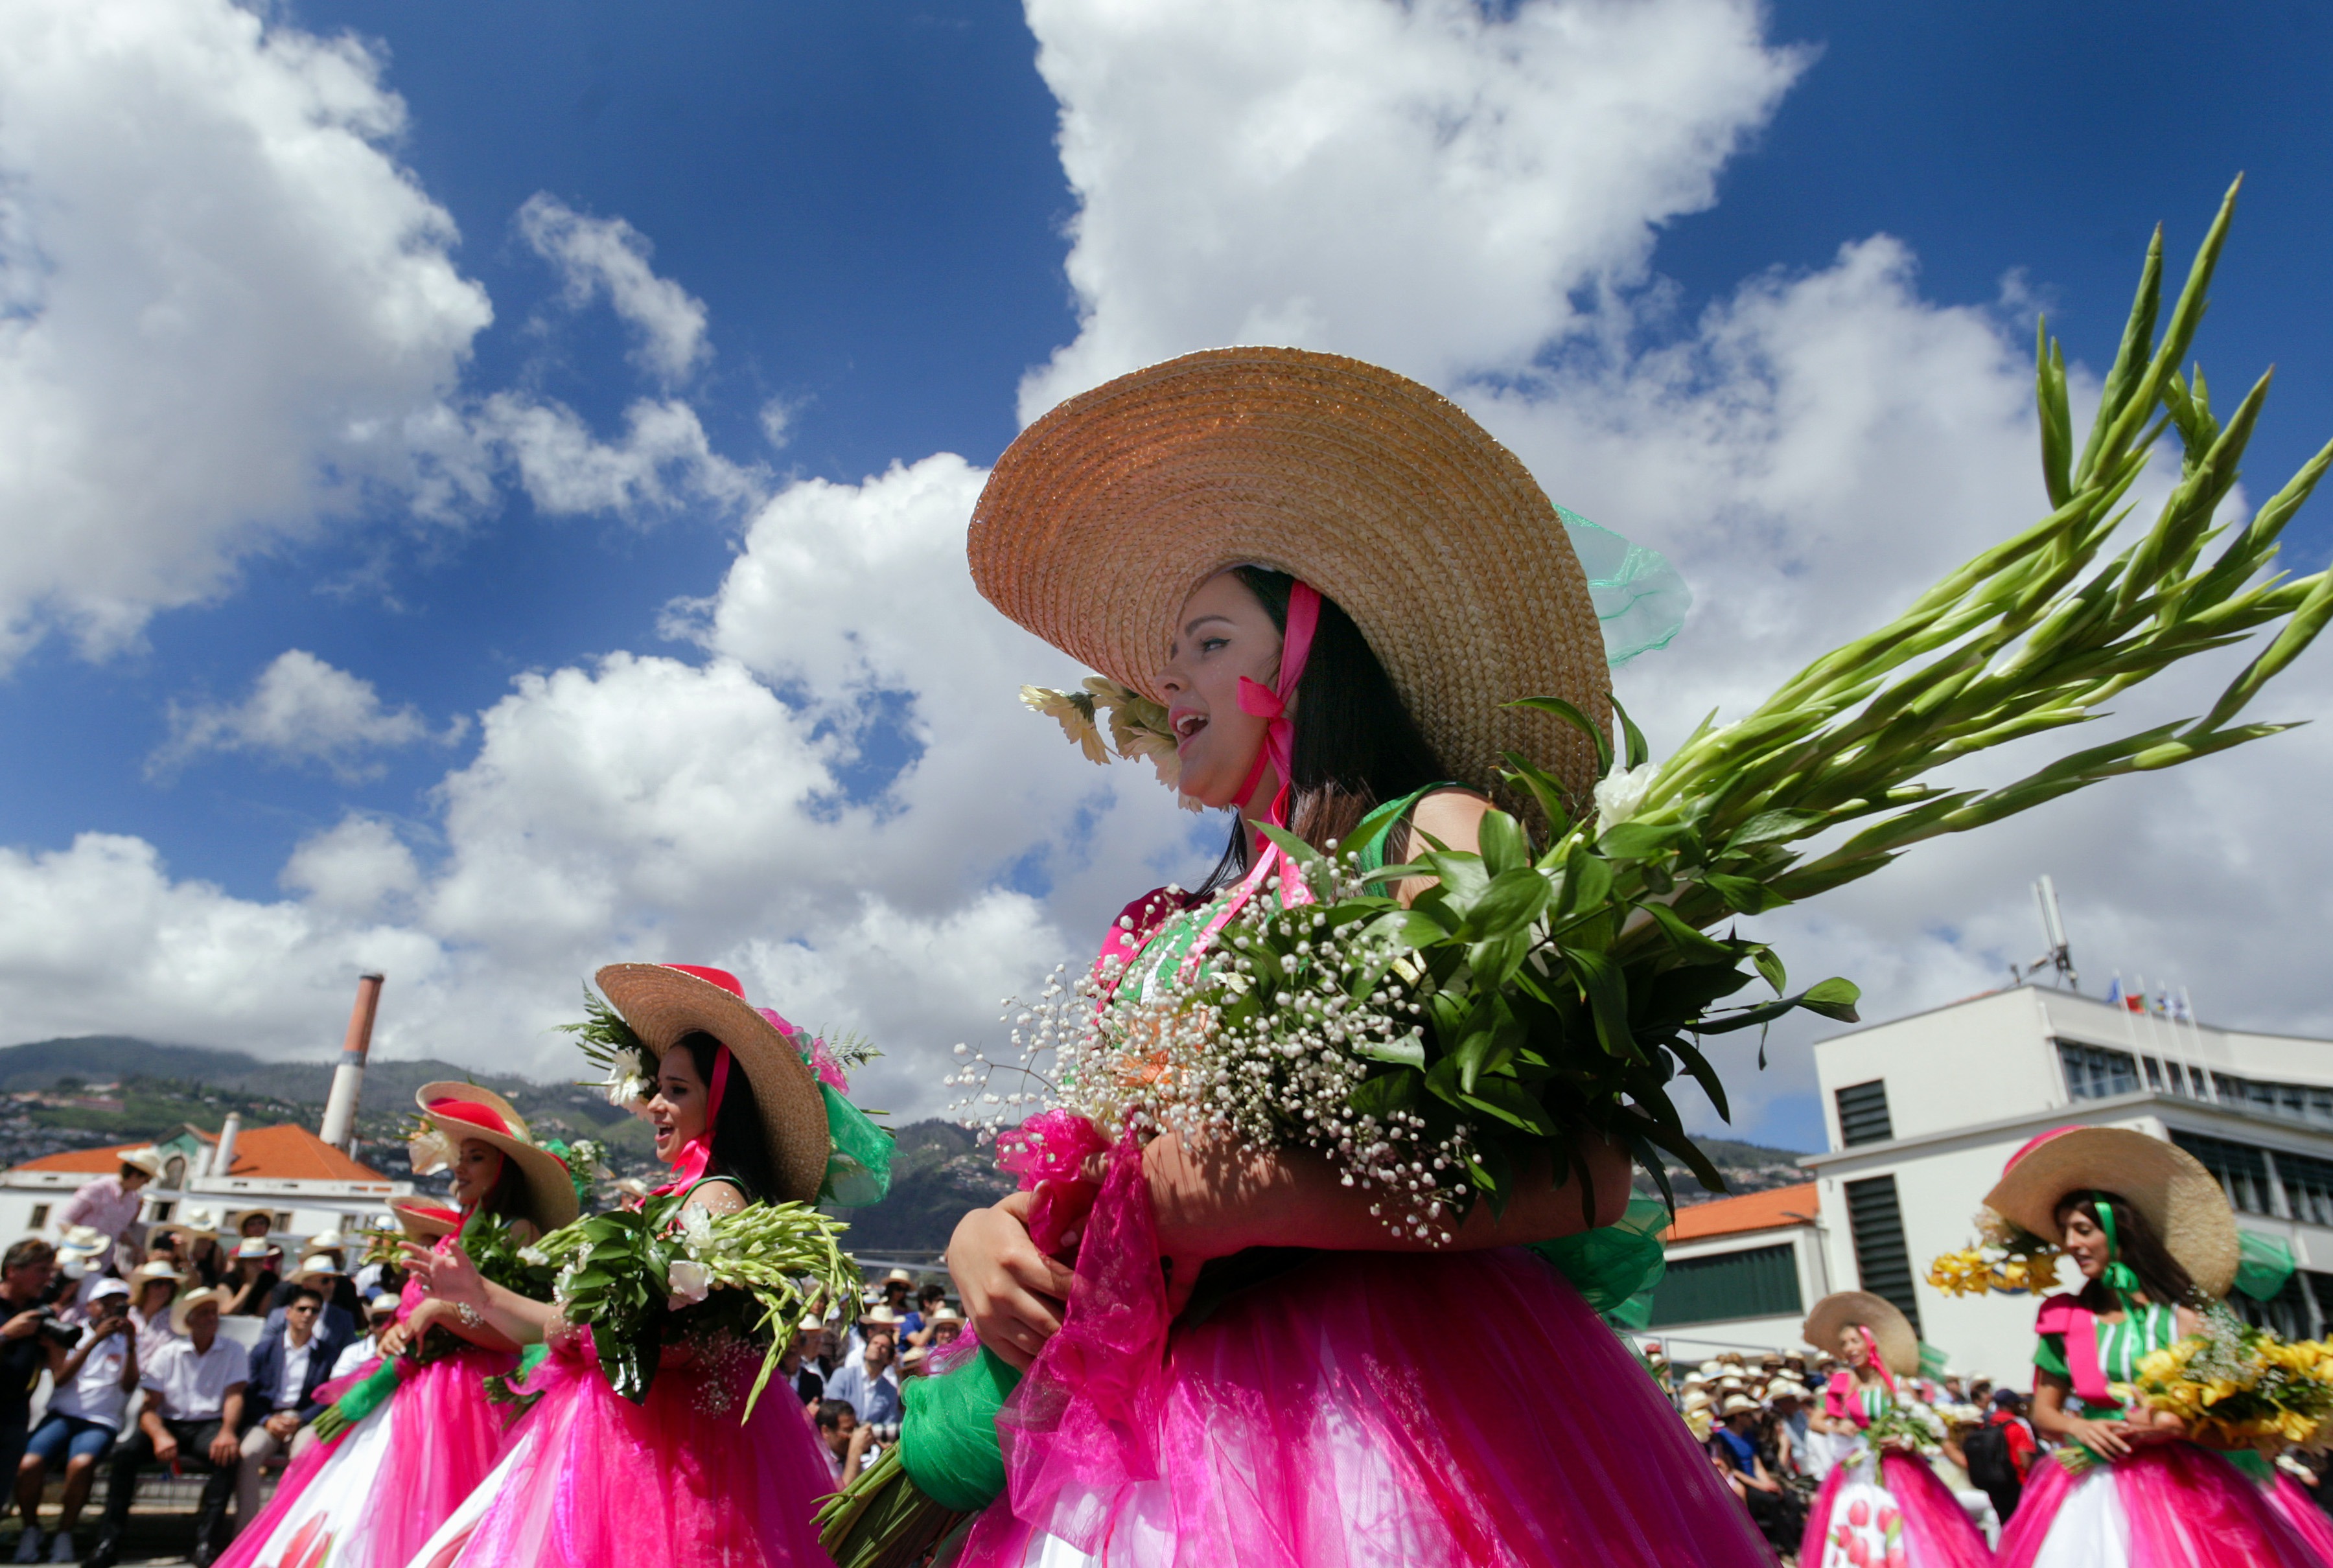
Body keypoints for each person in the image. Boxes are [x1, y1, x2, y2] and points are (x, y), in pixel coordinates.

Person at [942, 348, 1767, 1565]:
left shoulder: (1430, 839)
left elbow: (1591, 1173)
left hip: (1394, 1417)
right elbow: (1101, 1164)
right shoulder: (1155, 931)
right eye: (1171, 651)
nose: (1165, 677)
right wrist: (993, 1232)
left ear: (1304, 656)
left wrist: (1271, 1198)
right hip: (1159, 1447)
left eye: (1207, 640)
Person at [401, 965, 868, 1568]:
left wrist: (579, 1329)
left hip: (667, 1455)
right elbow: (572, 1325)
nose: (654, 1105)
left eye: (677, 1090)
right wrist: (478, 1292)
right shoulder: (682, 1198)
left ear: (719, 1102)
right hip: (627, 1440)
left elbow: (667, 1343)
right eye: (657, 1087)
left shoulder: (715, 1199)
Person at [211, 1085, 575, 1568]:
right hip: (416, 1386)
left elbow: (520, 1336)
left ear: (505, 1169)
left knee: (432, 1517)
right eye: (460, 1158)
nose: (460, 1168)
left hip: (465, 1394)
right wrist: (400, 1331)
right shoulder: (461, 1231)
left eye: (476, 1158)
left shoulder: (519, 1231)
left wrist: (441, 1313)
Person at [1986, 1126, 2328, 1566]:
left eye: (2083, 1230)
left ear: (2119, 1232)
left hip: (2188, 1486)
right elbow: (2044, 1413)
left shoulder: (2187, 1319)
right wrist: (2080, 1428)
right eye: (2066, 1232)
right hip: (2091, 1488)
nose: (2071, 1245)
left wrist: (2178, 1427)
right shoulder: (2063, 1317)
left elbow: (2242, 1426)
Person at [1796, 1292, 1988, 1568]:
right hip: (1857, 1470)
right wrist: (1837, 1425)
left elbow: (1925, 1428)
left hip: (1897, 1467)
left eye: (1854, 1341)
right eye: (1844, 1344)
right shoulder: (1842, 1383)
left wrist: (1904, 1440)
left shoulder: (1897, 1385)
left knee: (1906, 1530)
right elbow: (1816, 1420)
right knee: (1857, 1528)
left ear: (1870, 1342)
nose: (1849, 1349)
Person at [87, 1287, 246, 1568]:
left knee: (227, 1456)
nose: (212, 1318)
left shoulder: (234, 1350)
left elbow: (235, 1395)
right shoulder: (167, 1353)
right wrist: (160, 1435)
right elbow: (149, 1407)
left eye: (214, 1313)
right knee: (125, 1455)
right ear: (189, 1320)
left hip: (209, 1423)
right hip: (169, 1422)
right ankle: (108, 1541)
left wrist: (227, 1431)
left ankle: (206, 1542)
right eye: (204, 1313)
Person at [13, 1277, 136, 1563]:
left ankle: (64, 1533)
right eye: (105, 1304)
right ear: (90, 1306)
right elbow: (61, 1378)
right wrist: (94, 1341)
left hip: (100, 1421)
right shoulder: (67, 1333)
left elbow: (129, 1385)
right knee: (28, 1464)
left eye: (118, 1305)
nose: (111, 1310)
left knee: (81, 1464)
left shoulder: (128, 1340)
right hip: (62, 1415)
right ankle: (31, 1529)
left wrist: (131, 1344)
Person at [233, 1283, 349, 1526]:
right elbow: (249, 1393)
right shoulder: (264, 1350)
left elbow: (328, 1396)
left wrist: (301, 1419)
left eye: (314, 1311)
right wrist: (267, 1420)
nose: (308, 1314)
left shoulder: (328, 1355)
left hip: (304, 1419)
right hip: (268, 1419)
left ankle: (287, 1525)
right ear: (288, 1312)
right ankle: (246, 1530)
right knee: (249, 1453)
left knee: (306, 1454)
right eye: (302, 1309)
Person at [0, 1241, 64, 1517]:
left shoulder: (41, 1312)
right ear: (13, 1271)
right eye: (41, 1270)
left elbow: (57, 1369)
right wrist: (6, 1334)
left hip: (15, 1412)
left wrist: (55, 1346)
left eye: (50, 1271)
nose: (48, 1279)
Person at [1708, 1396, 1804, 1555]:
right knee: (1772, 1501)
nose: (1752, 1418)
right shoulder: (1723, 1437)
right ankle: (1787, 1547)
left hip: (1757, 1481)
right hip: (1743, 1482)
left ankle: (1794, 1542)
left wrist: (1769, 1484)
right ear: (1738, 1416)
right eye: (1747, 1415)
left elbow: (1757, 1464)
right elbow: (1732, 1470)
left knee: (1791, 1500)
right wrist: (1761, 1485)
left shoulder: (1748, 1436)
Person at [52, 1151, 160, 1272]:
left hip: (104, 1263)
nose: (145, 1185)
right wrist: (85, 1242)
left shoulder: (133, 1199)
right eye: (146, 1181)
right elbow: (64, 1220)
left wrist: (136, 1248)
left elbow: (120, 1231)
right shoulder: (97, 1189)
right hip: (75, 1259)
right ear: (135, 1175)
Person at [1961, 1388, 2034, 1525]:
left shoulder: (1986, 1425)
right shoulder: (2017, 1427)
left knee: (2004, 1524)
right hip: (2018, 1486)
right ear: (2012, 1405)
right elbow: (2026, 1463)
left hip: (1994, 1486)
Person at [826, 1320, 902, 1429]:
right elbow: (830, 1410)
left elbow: (889, 1424)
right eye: (875, 1343)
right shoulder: (842, 1376)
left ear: (889, 1359)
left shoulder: (890, 1391)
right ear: (866, 1350)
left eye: (884, 1346)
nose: (878, 1347)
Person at [330, 1289, 402, 1380]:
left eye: (391, 1320)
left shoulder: (413, 1351)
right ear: (371, 1325)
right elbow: (336, 1384)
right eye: (378, 1320)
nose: (385, 1326)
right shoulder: (353, 1353)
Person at [815, 1398, 877, 1487]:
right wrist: (855, 1451)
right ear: (826, 1431)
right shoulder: (816, 1461)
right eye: (848, 1430)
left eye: (855, 1428)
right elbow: (843, 1494)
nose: (853, 1435)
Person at [124, 1260, 183, 1344]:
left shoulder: (175, 1318)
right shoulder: (131, 1314)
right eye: (158, 1283)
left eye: (169, 1284)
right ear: (145, 1288)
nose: (164, 1289)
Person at [224, 1238, 279, 1319]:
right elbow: (227, 1311)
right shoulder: (228, 1279)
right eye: (254, 1261)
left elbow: (261, 1315)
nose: (259, 1265)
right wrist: (249, 1284)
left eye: (261, 1260)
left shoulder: (269, 1279)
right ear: (242, 1262)